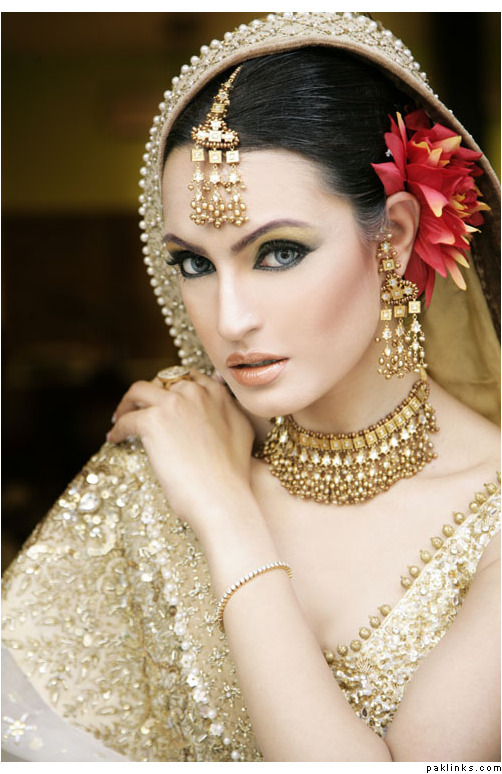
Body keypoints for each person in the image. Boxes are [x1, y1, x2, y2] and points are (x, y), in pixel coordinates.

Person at [2, 11, 500, 763]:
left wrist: (226, 512)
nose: (230, 318)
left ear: (395, 236)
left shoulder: (491, 517)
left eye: (278, 252)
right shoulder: (164, 456)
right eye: (194, 263)